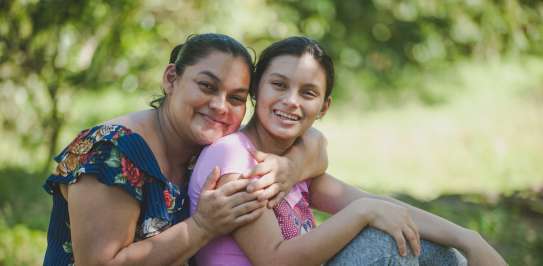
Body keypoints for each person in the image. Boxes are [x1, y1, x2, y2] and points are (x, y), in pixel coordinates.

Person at [188, 36, 507, 266]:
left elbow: (384, 205)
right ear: (257, 89)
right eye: (279, 85)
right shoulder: (232, 159)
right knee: (386, 242)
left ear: (324, 107)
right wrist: (362, 213)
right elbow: (277, 260)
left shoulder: (291, 164)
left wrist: (468, 239)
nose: (291, 101)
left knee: (431, 246)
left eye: (308, 92)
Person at [42, 33, 328, 265]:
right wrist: (202, 227)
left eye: (236, 98)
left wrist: (290, 169)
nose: (220, 106)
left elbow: (315, 142)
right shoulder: (111, 152)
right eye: (207, 86)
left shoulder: (208, 146)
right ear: (171, 79)